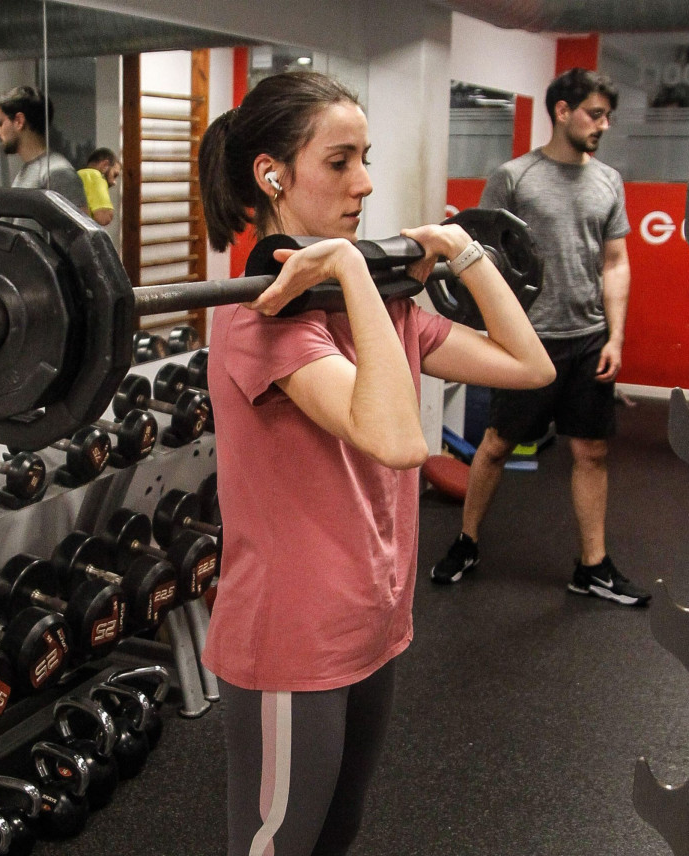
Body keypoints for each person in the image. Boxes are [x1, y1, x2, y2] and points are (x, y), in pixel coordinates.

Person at [198, 71, 553, 856]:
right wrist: (356, 270)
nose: (366, 182)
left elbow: (530, 367)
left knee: (338, 830)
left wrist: (465, 254)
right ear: (272, 174)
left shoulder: (383, 308)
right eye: (340, 160)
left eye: (367, 158)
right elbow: (396, 441)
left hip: (373, 616)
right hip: (292, 632)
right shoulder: (259, 318)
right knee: (280, 841)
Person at [430, 68, 650, 607]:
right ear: (561, 111)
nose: (603, 125)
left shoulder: (609, 181)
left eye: (606, 116)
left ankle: (592, 566)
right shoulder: (515, 177)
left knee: (592, 451)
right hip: (530, 340)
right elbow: (478, 255)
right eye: (594, 114)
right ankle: (466, 541)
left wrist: (616, 337)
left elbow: (616, 262)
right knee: (498, 444)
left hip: (588, 338)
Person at [0, 85, 88, 214]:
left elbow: (81, 232)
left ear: (19, 121)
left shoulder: (57, 172)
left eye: (0, 123)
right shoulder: (29, 169)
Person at [78, 147, 121, 227]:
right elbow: (104, 218)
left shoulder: (78, 175)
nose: (114, 182)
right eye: (114, 175)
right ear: (105, 165)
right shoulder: (95, 176)